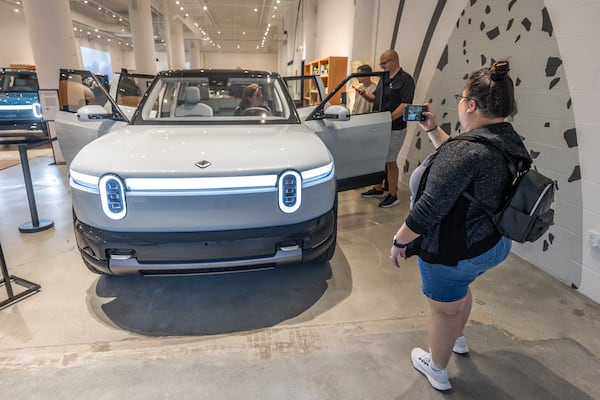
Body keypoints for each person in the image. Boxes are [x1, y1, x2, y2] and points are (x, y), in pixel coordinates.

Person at [389, 60, 531, 391]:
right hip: (493, 244)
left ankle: (437, 368)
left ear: (470, 104)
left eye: (461, 96)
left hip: (456, 251)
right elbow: (465, 170)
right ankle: (457, 339)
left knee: (444, 310)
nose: (459, 102)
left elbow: (429, 209)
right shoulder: (506, 139)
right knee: (459, 292)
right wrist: (431, 129)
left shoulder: (466, 152)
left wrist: (399, 241)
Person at [359, 49, 415, 208]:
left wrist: (388, 119)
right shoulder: (383, 79)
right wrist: (364, 95)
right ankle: (378, 188)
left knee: (390, 161)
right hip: (381, 127)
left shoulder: (406, 80)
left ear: (394, 61)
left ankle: (393, 194)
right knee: (380, 158)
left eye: (383, 63)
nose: (381, 66)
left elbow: (405, 105)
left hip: (395, 128)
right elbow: (375, 98)